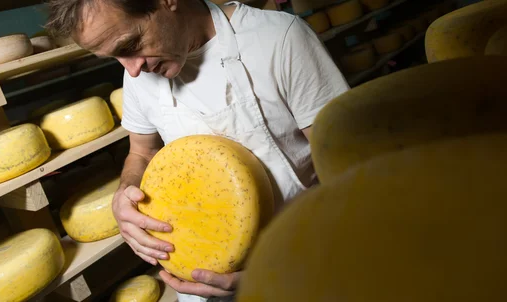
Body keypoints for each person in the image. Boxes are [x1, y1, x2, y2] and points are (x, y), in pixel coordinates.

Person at [45, 0, 349, 300]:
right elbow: (141, 153)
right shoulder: (138, 74)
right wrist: (124, 194)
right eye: (114, 57)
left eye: (130, 44)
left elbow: (347, 171)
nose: (132, 70)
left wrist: (280, 264)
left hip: (303, 260)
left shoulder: (278, 40)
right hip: (202, 276)